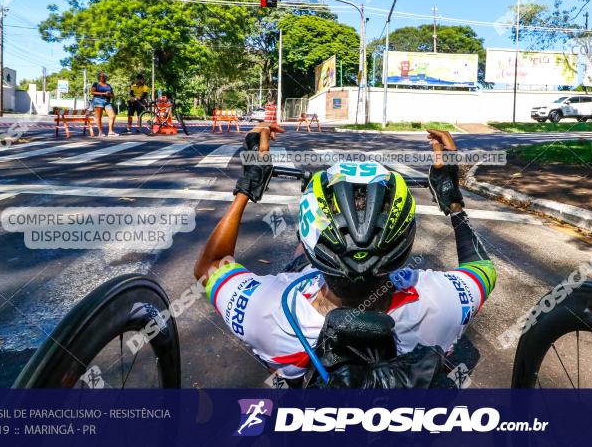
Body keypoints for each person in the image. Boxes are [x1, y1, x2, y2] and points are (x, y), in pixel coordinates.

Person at [193, 126, 496, 387]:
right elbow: (481, 266)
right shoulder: (443, 302)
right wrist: (452, 199)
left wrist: (247, 186)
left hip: (299, 367)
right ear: (403, 243)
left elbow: (210, 266)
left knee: (301, 258)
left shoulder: (267, 311)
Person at [90, 71, 117, 137]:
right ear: (98, 77)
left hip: (107, 101)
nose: (102, 77)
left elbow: (113, 95)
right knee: (99, 117)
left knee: (112, 116)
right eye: (101, 76)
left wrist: (110, 95)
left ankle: (110, 132)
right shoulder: (96, 84)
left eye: (103, 76)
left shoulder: (108, 85)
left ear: (106, 77)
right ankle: (100, 132)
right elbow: (92, 92)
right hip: (98, 100)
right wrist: (103, 93)